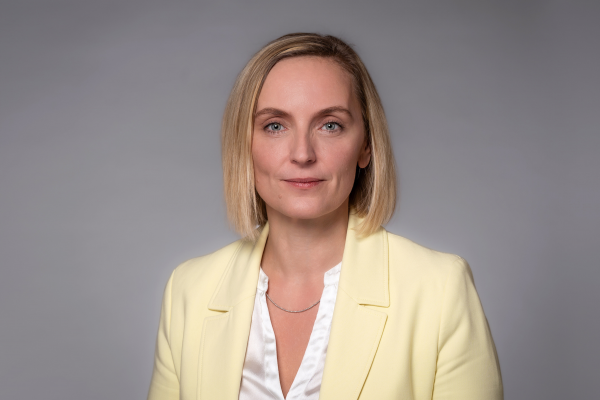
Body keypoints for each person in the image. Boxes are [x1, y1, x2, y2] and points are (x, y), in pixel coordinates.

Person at [147, 33, 503, 400]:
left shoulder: (439, 290)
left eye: (330, 125)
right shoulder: (188, 290)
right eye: (275, 125)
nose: (302, 154)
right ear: (243, 144)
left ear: (366, 145)